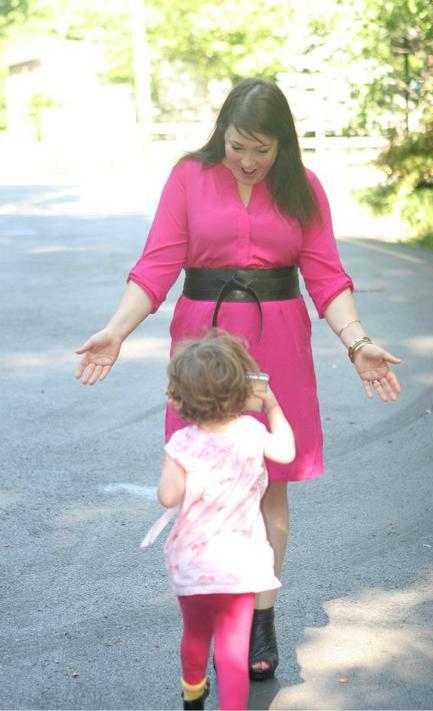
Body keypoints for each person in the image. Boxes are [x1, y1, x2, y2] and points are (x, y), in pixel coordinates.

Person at [75, 77, 402, 681]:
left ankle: (261, 616)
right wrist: (116, 330)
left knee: (269, 483)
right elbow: (157, 263)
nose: (248, 162)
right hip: (204, 346)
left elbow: (327, 276)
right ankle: (216, 604)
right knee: (204, 481)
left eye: (262, 150)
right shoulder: (187, 178)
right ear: (220, 135)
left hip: (279, 341)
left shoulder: (303, 189)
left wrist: (357, 343)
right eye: (237, 147)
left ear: (284, 145)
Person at [140, 330, 295, 710]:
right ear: (242, 388)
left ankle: (193, 694)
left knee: (195, 634)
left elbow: (168, 496)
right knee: (232, 648)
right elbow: (287, 453)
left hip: (194, 564)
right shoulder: (252, 432)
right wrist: (273, 406)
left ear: (182, 397)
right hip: (242, 564)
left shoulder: (182, 444)